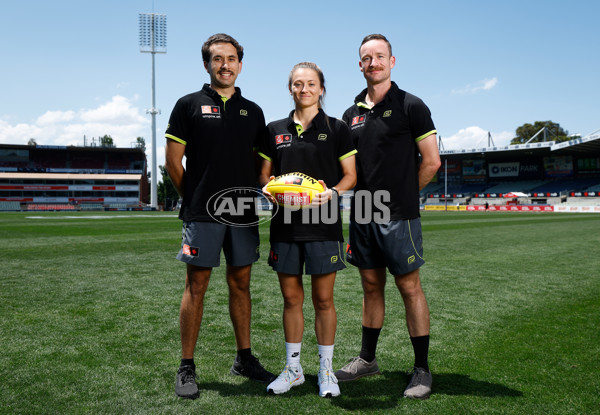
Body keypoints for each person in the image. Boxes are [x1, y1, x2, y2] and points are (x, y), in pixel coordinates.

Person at [165, 33, 275, 400]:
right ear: (207, 64)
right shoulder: (187, 105)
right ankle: (186, 366)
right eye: (217, 59)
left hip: (243, 211)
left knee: (241, 284)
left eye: (231, 58)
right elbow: (172, 162)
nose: (225, 65)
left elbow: (263, 167)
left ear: (240, 64)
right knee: (196, 286)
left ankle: (244, 358)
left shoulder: (254, 111)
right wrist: (195, 200)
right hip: (203, 213)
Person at [334, 34, 441, 400]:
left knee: (409, 287)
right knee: (370, 287)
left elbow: (432, 161)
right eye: (367, 58)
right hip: (363, 212)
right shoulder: (350, 116)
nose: (373, 62)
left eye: (380, 56)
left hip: (399, 214)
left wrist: (405, 197)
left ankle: (422, 368)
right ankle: (367, 359)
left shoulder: (412, 105)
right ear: (360, 65)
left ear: (392, 62)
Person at [258, 62, 357, 398]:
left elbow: (350, 176)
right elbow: (264, 176)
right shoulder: (274, 129)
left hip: (324, 226)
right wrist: (269, 188)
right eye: (298, 84)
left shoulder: (338, 128)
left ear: (321, 88)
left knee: (323, 300)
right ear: (290, 89)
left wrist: (332, 194)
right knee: (291, 299)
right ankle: (294, 369)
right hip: (284, 227)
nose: (304, 89)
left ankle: (326, 370)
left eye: (311, 84)